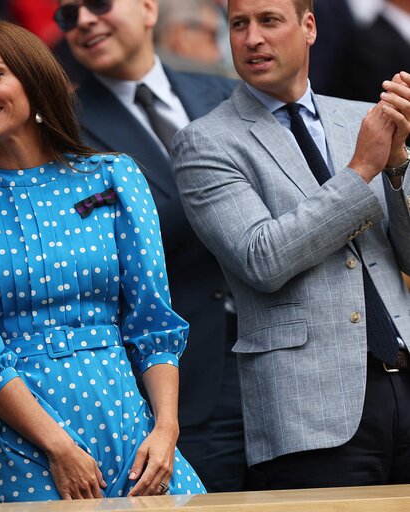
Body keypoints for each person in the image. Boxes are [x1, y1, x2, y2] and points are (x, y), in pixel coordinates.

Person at [0, 19, 205, 502]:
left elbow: (153, 326)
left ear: (34, 80)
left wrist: (166, 432)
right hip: (33, 448)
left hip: (136, 434)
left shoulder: (114, 176)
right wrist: (59, 447)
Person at [174, 0, 410, 490]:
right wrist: (362, 169)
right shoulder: (205, 142)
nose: (253, 38)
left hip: (404, 383)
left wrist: (397, 169)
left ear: (309, 27)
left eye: (268, 21)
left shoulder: (360, 118)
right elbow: (263, 258)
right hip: (310, 412)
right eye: (239, 24)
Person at [56, 0, 245, 492]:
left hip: (275, 355)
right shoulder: (62, 129)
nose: (83, 21)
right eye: (67, 15)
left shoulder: (225, 93)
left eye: (97, 4)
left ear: (147, 7)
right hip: (176, 381)